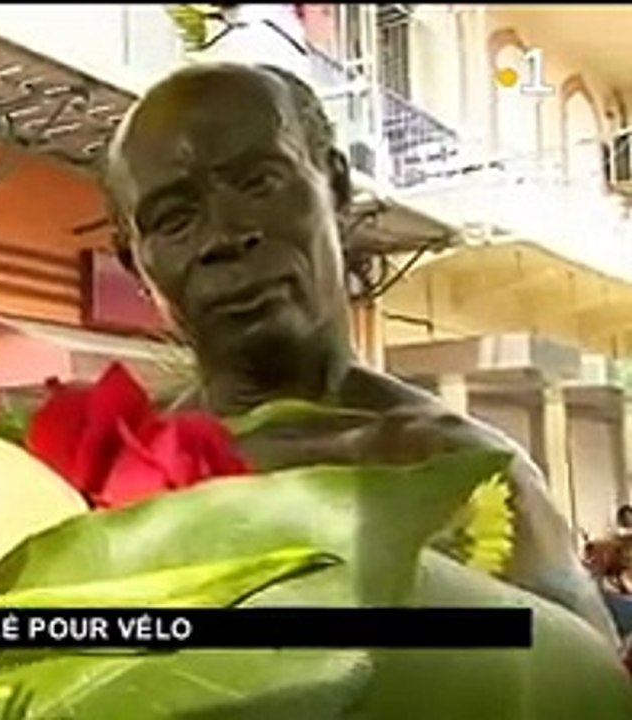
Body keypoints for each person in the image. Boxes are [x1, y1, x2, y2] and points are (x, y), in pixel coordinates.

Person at [102, 61, 618, 642]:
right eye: (175, 219)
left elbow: (581, 686)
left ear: (337, 189)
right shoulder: (96, 483)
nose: (226, 236)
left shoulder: (469, 473)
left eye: (260, 183)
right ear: (135, 266)